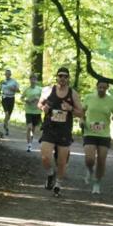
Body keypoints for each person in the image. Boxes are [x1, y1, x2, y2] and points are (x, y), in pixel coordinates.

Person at [37, 67, 84, 197]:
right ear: (56, 77)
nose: (62, 78)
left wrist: (70, 109)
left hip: (64, 130)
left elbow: (80, 113)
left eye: (65, 76)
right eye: (60, 76)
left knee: (62, 162)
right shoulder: (47, 90)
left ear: (68, 79)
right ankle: (51, 174)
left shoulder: (73, 94)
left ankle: (58, 184)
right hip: (49, 127)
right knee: (45, 156)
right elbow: (39, 104)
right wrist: (44, 108)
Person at [82, 79, 113, 195]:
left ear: (107, 88)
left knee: (101, 160)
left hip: (104, 134)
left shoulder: (111, 101)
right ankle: (90, 170)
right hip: (89, 132)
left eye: (104, 88)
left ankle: (97, 183)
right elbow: (82, 111)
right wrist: (81, 119)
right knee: (89, 159)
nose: (102, 90)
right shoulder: (89, 98)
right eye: (100, 87)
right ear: (96, 87)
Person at [22, 73, 43, 152]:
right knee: (29, 128)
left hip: (37, 111)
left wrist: (38, 98)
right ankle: (28, 145)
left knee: (33, 129)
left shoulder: (40, 89)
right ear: (29, 80)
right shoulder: (27, 89)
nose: (33, 80)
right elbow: (22, 98)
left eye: (34, 79)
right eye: (31, 79)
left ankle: (30, 144)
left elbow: (44, 97)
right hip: (29, 111)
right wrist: (26, 100)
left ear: (36, 80)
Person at [0, 69, 21, 136]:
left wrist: (13, 89)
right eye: (6, 74)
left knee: (8, 116)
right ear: (5, 74)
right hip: (4, 98)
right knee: (6, 114)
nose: (7, 75)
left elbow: (18, 91)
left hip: (11, 98)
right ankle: (6, 128)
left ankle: (5, 123)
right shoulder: (3, 81)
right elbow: (1, 89)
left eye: (9, 74)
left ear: (10, 74)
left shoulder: (14, 82)